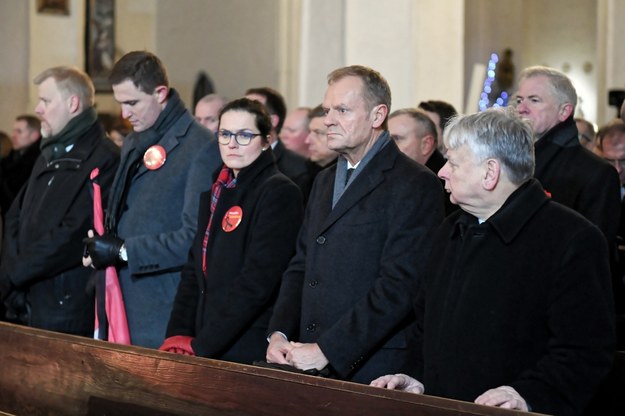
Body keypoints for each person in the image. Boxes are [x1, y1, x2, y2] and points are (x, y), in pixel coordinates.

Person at [371, 108, 615, 416]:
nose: (442, 171)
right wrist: (415, 375)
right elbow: (425, 325)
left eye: (453, 163)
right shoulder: (451, 229)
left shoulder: (572, 238)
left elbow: (584, 351)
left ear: (490, 172)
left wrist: (527, 395)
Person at [265, 65, 444, 384]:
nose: (328, 119)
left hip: (373, 367)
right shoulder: (324, 179)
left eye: (342, 110)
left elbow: (400, 285)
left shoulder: (415, 183)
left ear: (377, 116)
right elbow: (302, 264)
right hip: (308, 359)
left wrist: (330, 349)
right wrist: (278, 332)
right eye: (327, 109)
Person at [83, 51, 221, 348]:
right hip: (117, 299)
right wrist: (101, 246)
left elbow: (193, 239)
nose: (124, 114)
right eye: (120, 103)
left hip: (160, 309)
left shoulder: (200, 147)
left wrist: (122, 251)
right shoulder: (135, 139)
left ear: (160, 94)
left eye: (132, 103)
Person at [161, 98, 303, 363]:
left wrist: (204, 344)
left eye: (245, 135)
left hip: (242, 340)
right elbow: (194, 269)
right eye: (225, 134)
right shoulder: (218, 189)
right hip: (205, 336)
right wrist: (177, 336)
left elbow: (257, 281)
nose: (232, 143)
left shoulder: (279, 192)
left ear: (266, 140)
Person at [0, 66, 119, 335]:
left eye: (45, 101)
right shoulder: (48, 152)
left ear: (73, 103)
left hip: (65, 304)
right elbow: (16, 215)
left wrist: (15, 273)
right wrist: (11, 272)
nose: (38, 109)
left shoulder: (104, 157)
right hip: (29, 295)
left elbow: (73, 234)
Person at [515, 66, 620, 246]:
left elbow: (593, 250)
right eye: (519, 100)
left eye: (534, 100)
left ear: (564, 111)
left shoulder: (597, 174)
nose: (522, 108)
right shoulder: (510, 160)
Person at [245, 87, 317, 201]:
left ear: (272, 121)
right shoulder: (234, 161)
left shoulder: (299, 170)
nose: (242, 118)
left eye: (252, 112)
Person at [389, 108, 456, 216]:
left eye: (396, 139)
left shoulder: (442, 186)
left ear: (426, 144)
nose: (387, 146)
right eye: (385, 140)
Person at [0, 115, 42, 217]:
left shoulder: (38, 162)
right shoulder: (12, 157)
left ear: (34, 135)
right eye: (14, 131)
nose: (13, 135)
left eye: (19, 131)